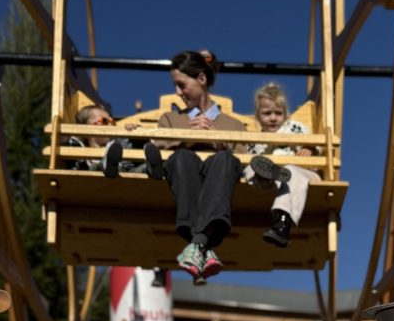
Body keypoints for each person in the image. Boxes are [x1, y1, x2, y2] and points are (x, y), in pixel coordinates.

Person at [148, 50, 249, 285]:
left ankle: (196, 245)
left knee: (224, 160)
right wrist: (186, 137)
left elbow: (241, 161)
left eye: (181, 85)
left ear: (201, 80)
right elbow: (157, 151)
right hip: (184, 175)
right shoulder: (170, 119)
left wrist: (219, 142)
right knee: (183, 157)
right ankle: (204, 244)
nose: (178, 92)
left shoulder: (233, 125)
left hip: (220, 175)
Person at [245, 82, 320, 248]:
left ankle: (281, 221)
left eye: (278, 113)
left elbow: (317, 146)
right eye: (267, 113)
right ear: (258, 116)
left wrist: (309, 148)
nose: (273, 118)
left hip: (302, 174)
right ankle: (281, 225)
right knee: (250, 165)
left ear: (286, 114)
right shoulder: (256, 139)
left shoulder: (295, 128)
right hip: (277, 177)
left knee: (290, 172)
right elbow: (249, 158)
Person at [71, 104, 164, 180]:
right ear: (86, 127)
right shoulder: (81, 153)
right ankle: (106, 164)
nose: (110, 125)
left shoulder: (118, 143)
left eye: (112, 121)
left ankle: (152, 168)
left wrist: (133, 133)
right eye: (104, 121)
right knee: (95, 167)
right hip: (94, 179)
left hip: (125, 176)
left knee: (140, 169)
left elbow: (137, 145)